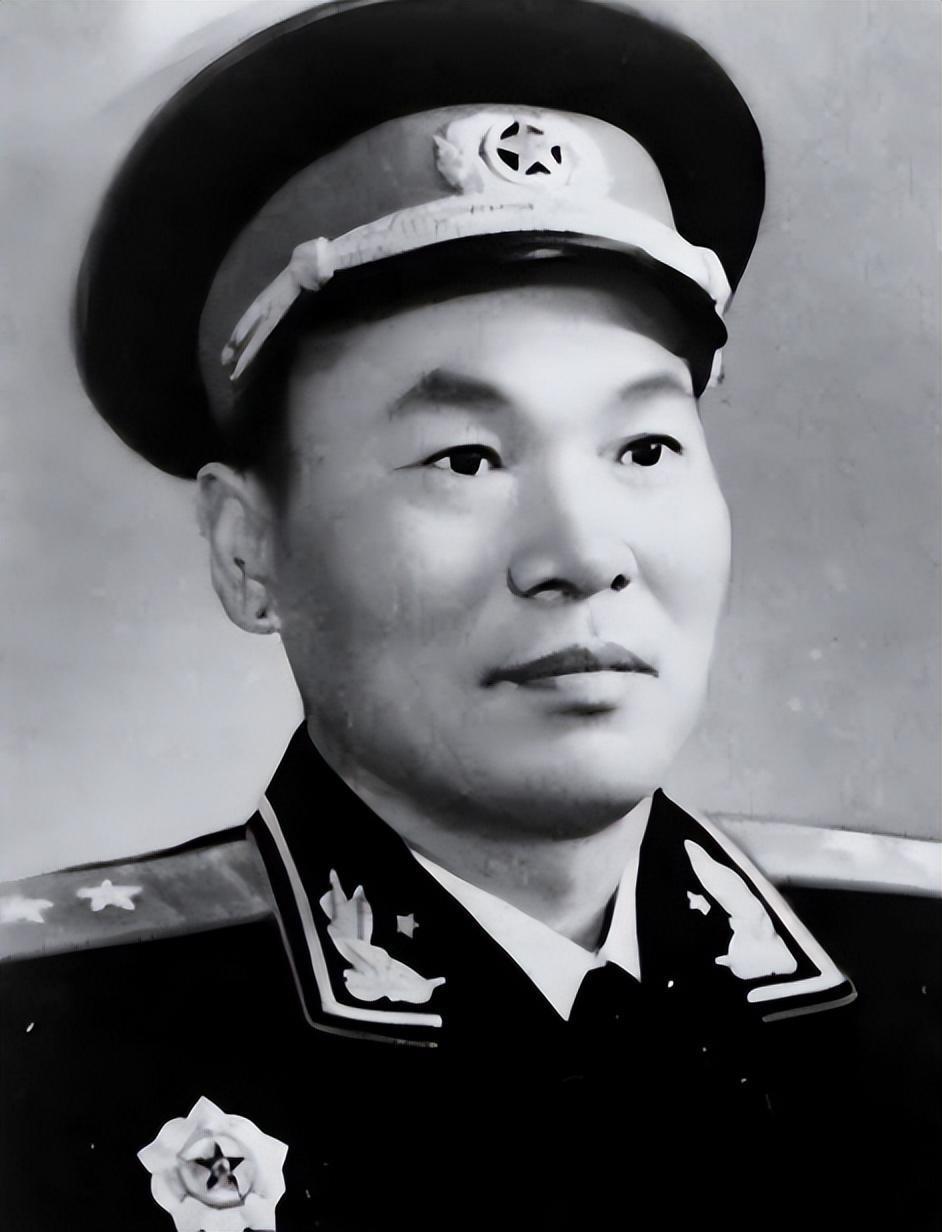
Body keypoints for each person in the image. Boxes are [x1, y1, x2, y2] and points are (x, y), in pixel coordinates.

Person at [0, 2, 938, 1230]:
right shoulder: (49, 1045)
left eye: (645, 447)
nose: (584, 555)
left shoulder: (919, 967)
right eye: (465, 459)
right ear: (247, 546)